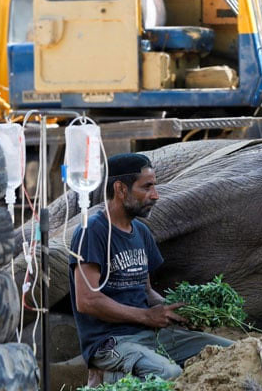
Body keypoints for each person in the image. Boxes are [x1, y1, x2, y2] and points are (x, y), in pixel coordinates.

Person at [68, 153, 233, 384]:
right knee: (168, 373)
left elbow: (146, 292)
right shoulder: (92, 231)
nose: (155, 195)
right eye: (147, 187)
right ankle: (108, 379)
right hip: (110, 343)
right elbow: (86, 300)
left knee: (231, 352)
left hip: (148, 335)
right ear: (120, 189)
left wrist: (175, 311)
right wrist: (146, 316)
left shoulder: (141, 232)